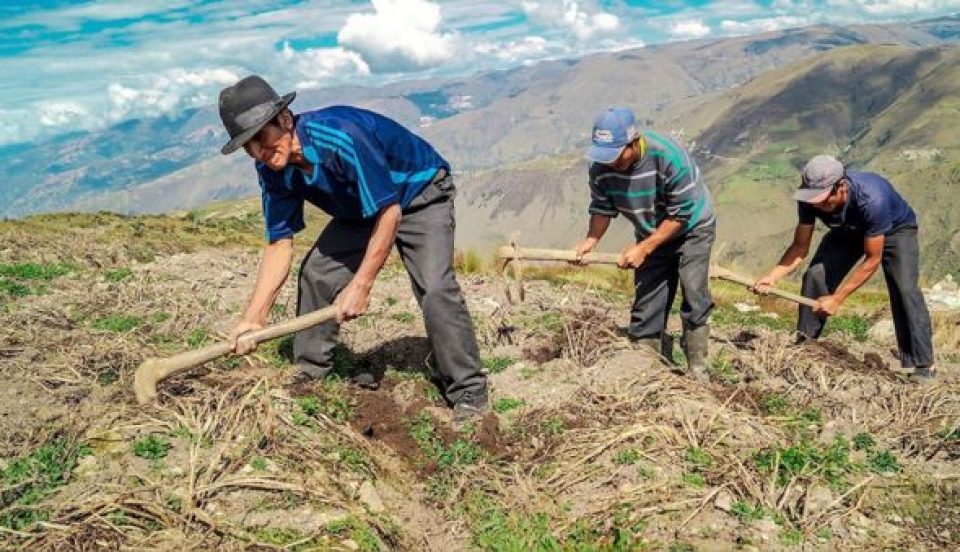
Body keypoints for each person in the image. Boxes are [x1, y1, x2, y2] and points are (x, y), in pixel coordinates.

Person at [216, 75, 488, 423]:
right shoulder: (271, 169)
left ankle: (469, 391)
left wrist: (361, 285)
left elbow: (390, 214)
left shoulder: (341, 136)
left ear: (285, 119)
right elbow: (279, 243)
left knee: (435, 288)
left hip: (420, 194)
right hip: (361, 208)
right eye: (248, 146)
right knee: (316, 274)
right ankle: (311, 373)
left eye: (261, 138)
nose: (259, 152)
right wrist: (253, 318)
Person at [753, 155, 935, 383]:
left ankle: (923, 364)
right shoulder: (809, 199)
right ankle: (805, 344)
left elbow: (872, 259)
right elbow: (800, 247)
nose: (818, 205)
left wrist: (837, 299)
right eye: (813, 200)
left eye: (823, 199)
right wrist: (772, 276)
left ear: (842, 187)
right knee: (815, 275)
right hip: (848, 230)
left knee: (904, 289)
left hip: (894, 231)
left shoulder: (871, 199)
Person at [574, 107, 717, 382]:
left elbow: (681, 214)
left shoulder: (669, 156)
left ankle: (698, 369)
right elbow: (602, 207)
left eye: (616, 154)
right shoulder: (601, 169)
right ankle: (648, 364)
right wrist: (591, 240)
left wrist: (645, 247)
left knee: (693, 290)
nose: (610, 163)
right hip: (651, 228)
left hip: (692, 227)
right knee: (648, 297)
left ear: (633, 142)